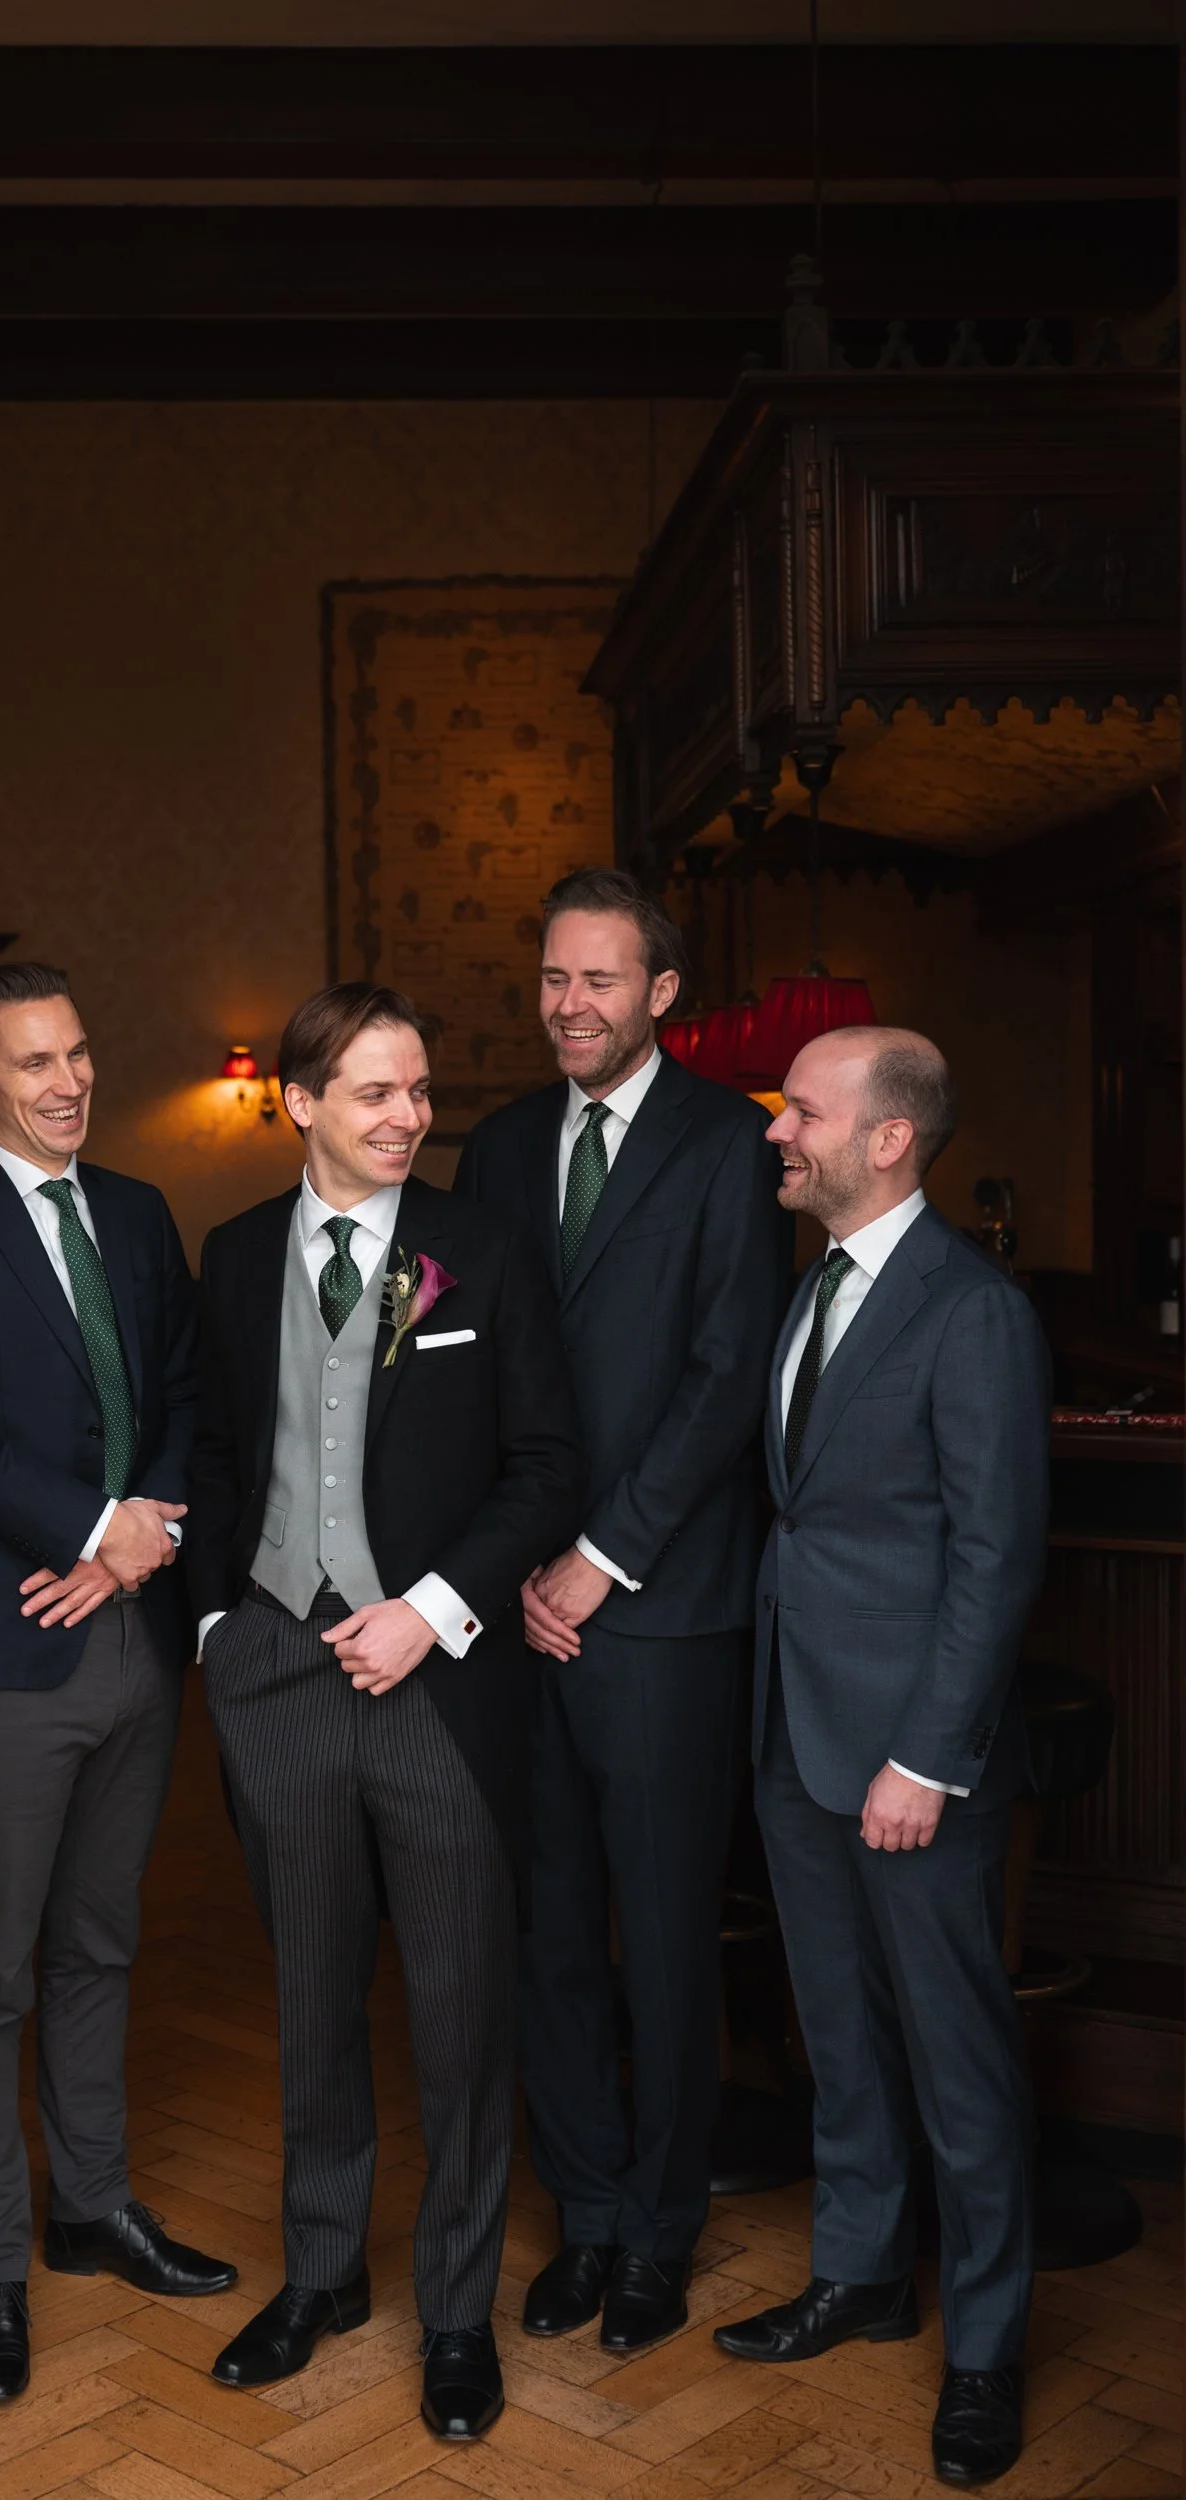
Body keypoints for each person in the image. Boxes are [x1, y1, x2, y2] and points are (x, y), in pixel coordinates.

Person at [188, 981, 586, 2443]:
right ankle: (319, 2277)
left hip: (441, 1682)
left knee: (460, 2007)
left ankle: (456, 2317)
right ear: (298, 1103)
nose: (408, 1117)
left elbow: (547, 1464)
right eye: (374, 1092)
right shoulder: (230, 1257)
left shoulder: (483, 1252)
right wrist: (225, 1625)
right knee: (309, 1994)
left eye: (419, 1091)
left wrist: (432, 1608)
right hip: (277, 1669)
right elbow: (217, 1446)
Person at [0, 961, 234, 2410]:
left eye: (78, 1054)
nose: (68, 1083)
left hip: (133, 1651)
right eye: (33, 1063)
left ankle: (92, 2209)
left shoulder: (138, 1214)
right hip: (5, 1651)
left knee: (99, 1948)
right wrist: (94, 1532)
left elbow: (185, 1395)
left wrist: (138, 1539)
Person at [453, 867, 789, 2353]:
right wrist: (501, 1563)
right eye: (549, 978)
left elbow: (727, 1376)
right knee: (544, 1935)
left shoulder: (732, 1143)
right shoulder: (502, 1144)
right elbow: (467, 1368)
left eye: (598, 980)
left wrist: (598, 1555)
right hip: (512, 1602)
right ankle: (585, 2212)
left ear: (662, 993)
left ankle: (659, 2231)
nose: (567, 1005)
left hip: (653, 1609)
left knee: (657, 1941)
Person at [712, 1026, 1048, 2492]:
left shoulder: (968, 1312)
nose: (777, 1129)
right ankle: (858, 2276)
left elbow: (993, 1554)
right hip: (793, 1732)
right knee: (837, 2036)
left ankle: (982, 2351)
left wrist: (928, 1755)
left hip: (907, 1761)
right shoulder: (807, 1294)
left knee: (955, 2063)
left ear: (888, 1138)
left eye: (802, 1109)